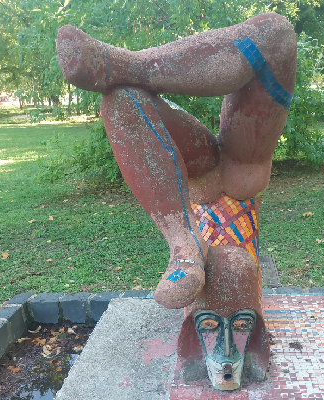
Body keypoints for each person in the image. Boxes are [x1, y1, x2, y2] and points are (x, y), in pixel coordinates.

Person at [56, 13, 297, 309]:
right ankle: (127, 65)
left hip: (210, 172)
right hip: (242, 163)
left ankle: (184, 244)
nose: (227, 332)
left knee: (121, 99)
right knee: (274, 33)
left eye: (210, 326)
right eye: (239, 325)